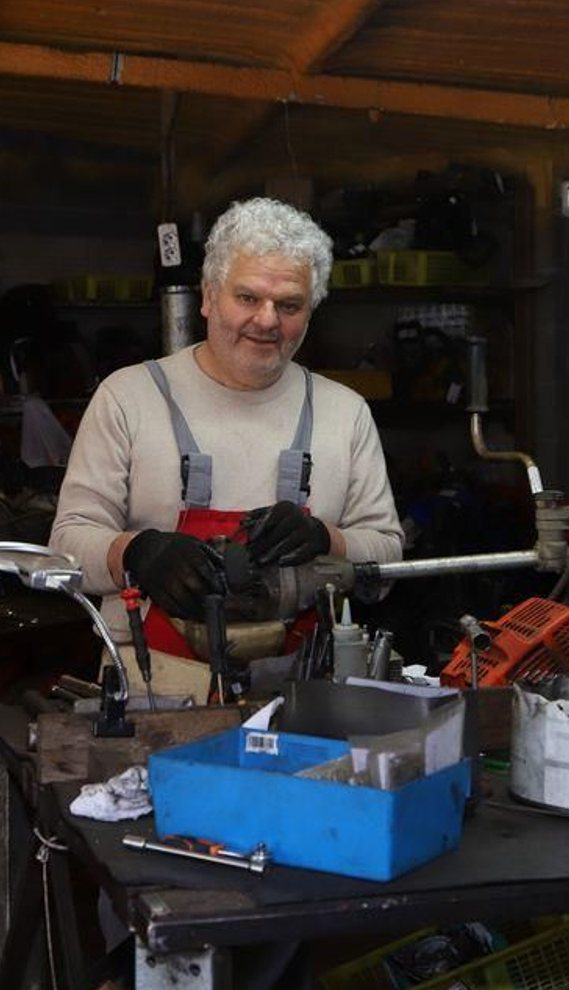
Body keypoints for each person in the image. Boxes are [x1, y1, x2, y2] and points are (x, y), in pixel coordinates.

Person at [49, 197, 404, 663]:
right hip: (155, 686)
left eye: (290, 304)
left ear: (311, 311)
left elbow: (390, 558)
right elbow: (65, 546)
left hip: (303, 684)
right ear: (209, 295)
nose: (268, 320)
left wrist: (328, 540)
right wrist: (136, 553)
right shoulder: (129, 398)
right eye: (248, 297)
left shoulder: (345, 413)